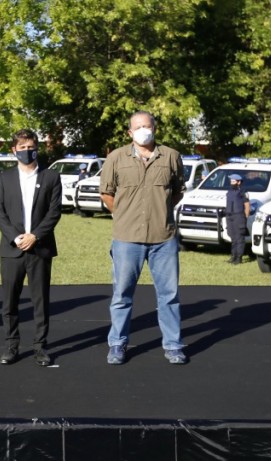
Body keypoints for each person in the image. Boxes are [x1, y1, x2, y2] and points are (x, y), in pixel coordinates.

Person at [99, 111, 188, 365]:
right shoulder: (116, 158)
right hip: (127, 239)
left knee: (169, 295)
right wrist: (124, 214)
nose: (143, 130)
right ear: (130, 132)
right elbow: (106, 193)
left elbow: (177, 192)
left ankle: (173, 345)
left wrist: (160, 213)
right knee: (122, 294)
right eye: (138, 127)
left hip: (163, 238)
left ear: (155, 128)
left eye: (147, 126)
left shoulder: (171, 156)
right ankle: (117, 343)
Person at [0, 129, 62, 366]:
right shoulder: (5, 178)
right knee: (9, 301)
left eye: (30, 146)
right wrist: (15, 237)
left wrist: (36, 236)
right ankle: (11, 346)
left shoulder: (51, 177)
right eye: (21, 148)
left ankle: (40, 347)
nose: (26, 151)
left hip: (39, 249)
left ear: (37, 148)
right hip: (12, 249)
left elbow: (54, 212)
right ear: (14, 150)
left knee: (40, 300)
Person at [225, 173, 250, 264]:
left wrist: (245, 218)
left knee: (239, 238)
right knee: (233, 237)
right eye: (231, 181)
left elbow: (247, 206)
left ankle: (238, 258)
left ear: (239, 182)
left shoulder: (243, 191)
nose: (232, 183)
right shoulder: (229, 191)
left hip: (239, 216)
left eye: (233, 181)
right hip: (230, 216)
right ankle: (233, 256)